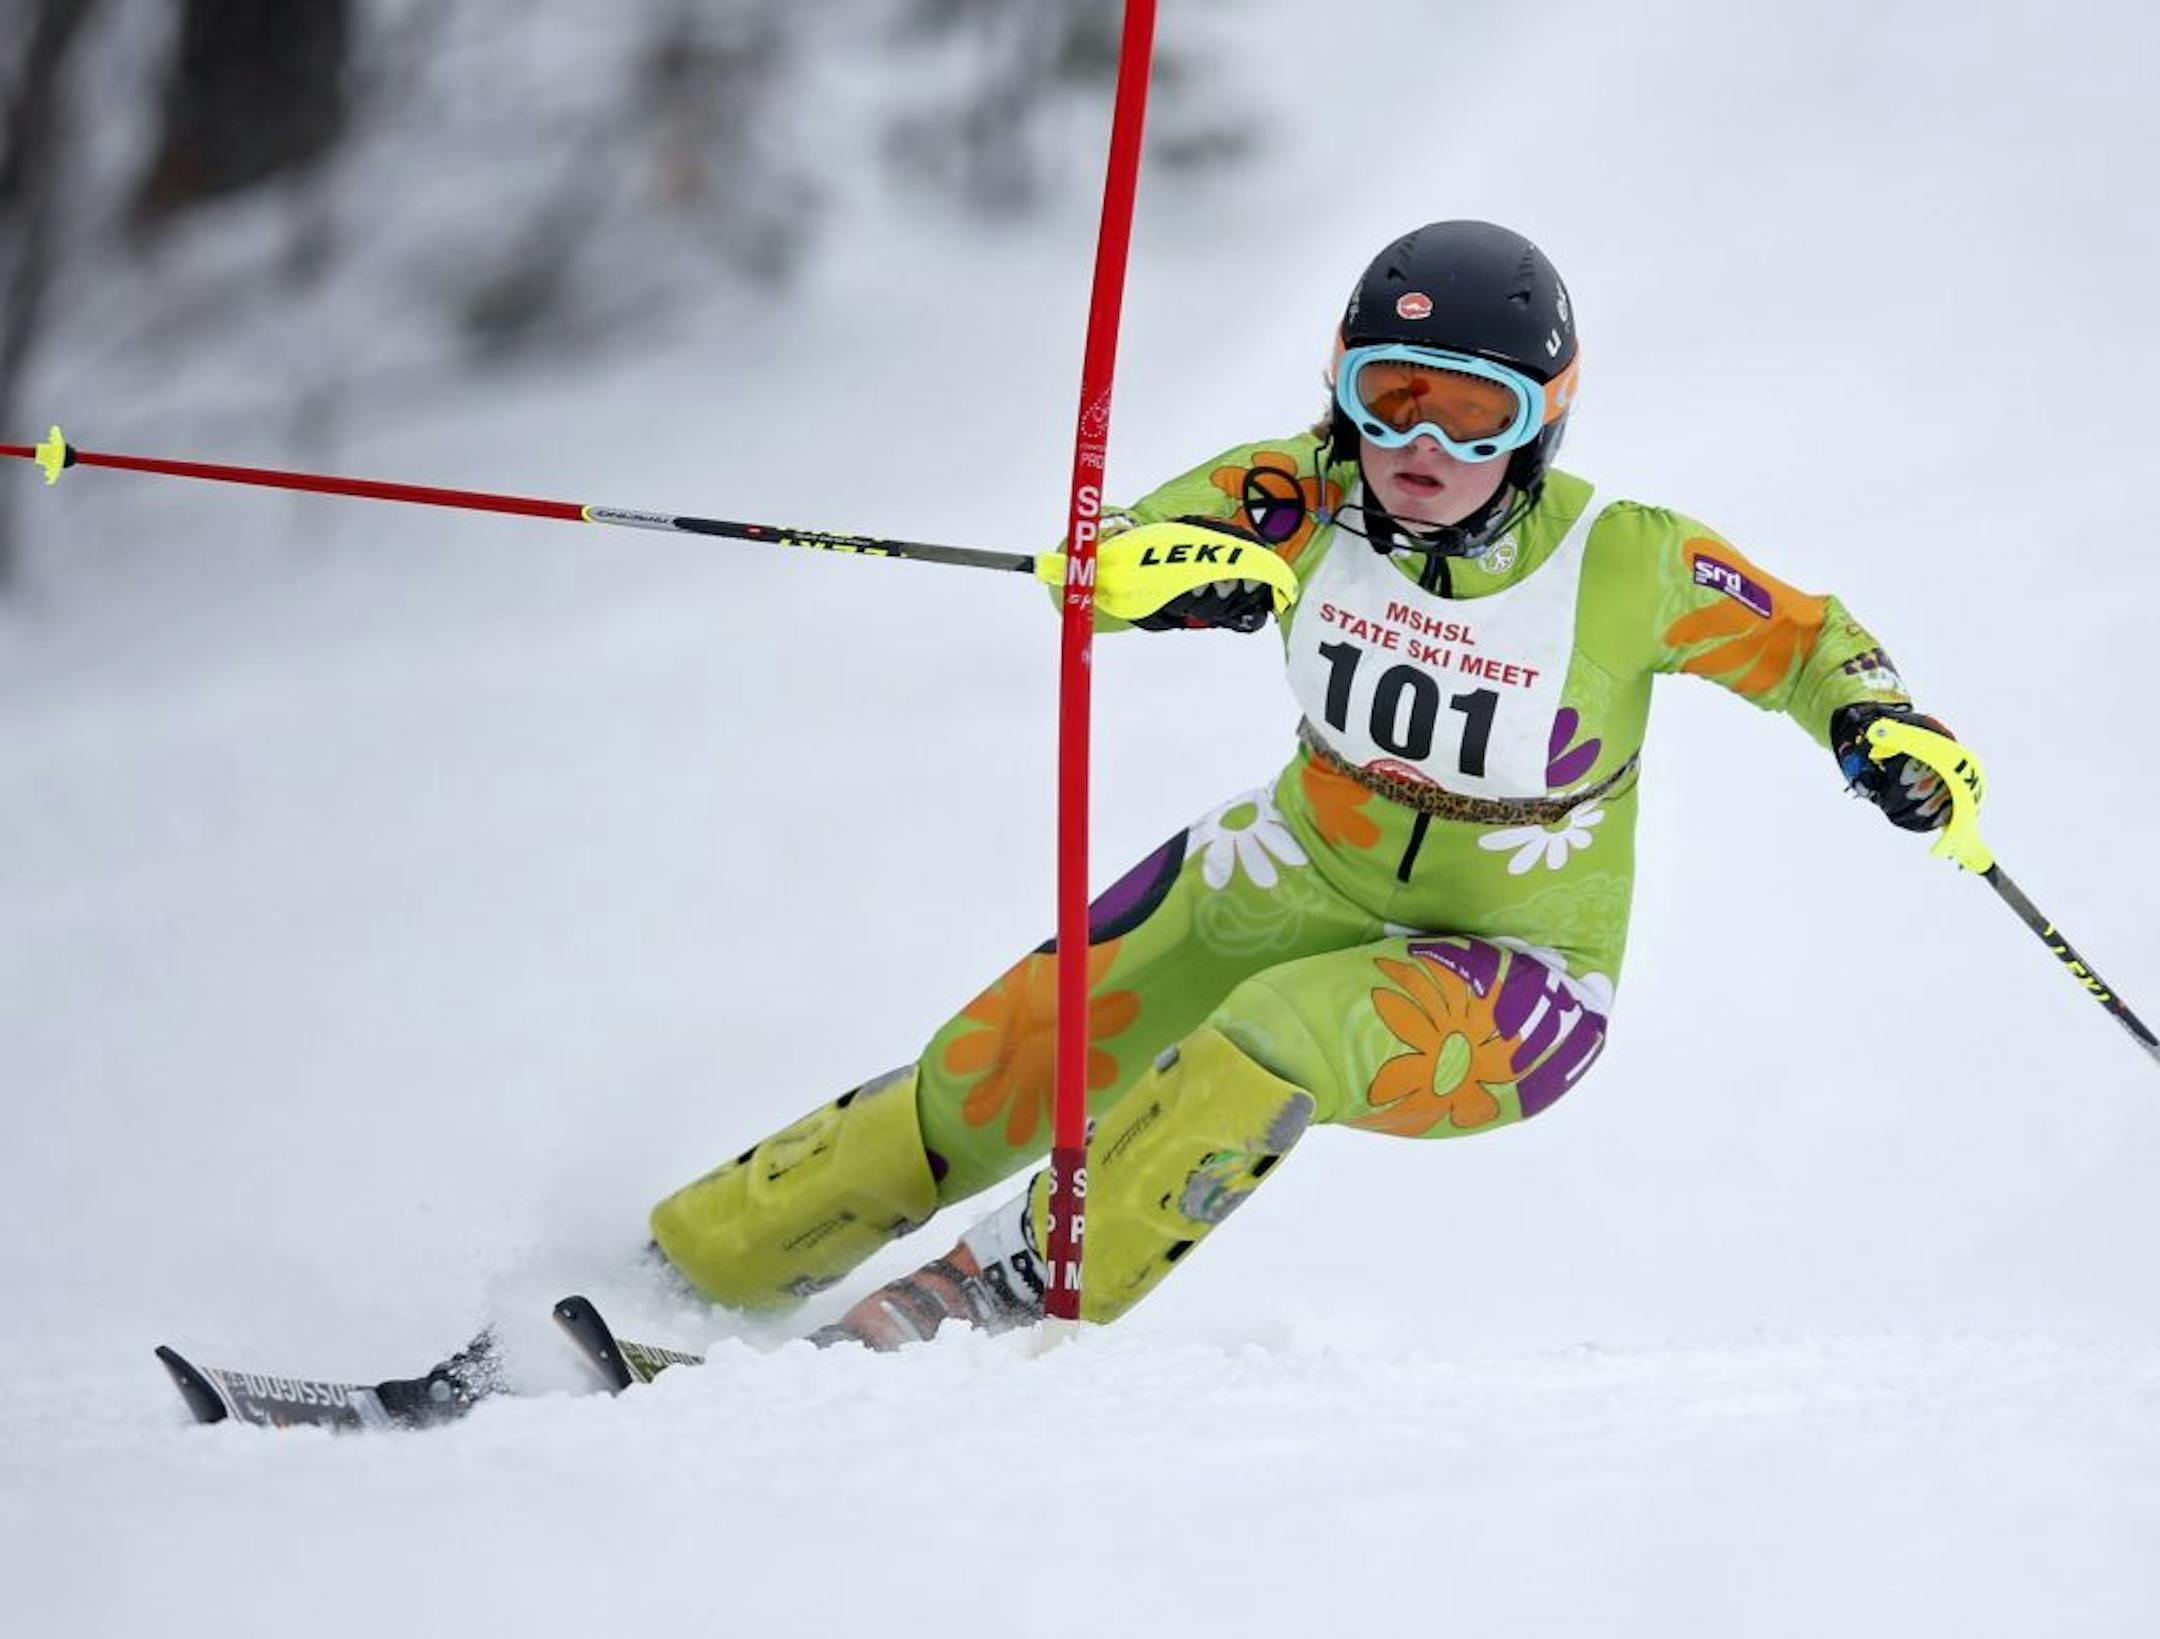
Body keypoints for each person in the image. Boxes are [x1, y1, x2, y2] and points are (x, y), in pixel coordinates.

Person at [646, 220, 1957, 1349]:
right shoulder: (1301, 491)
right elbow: (1115, 556)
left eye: (1473, 412)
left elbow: (1803, 642)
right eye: (1391, 395)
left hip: (1517, 973)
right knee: (995, 1069)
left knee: (1275, 1032)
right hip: (1283, 872)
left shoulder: (1625, 561)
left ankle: (981, 1301)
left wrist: (1882, 730)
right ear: (1343, 389)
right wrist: (1166, 574)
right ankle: (690, 1271)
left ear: (1542, 421)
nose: (1419, 446)